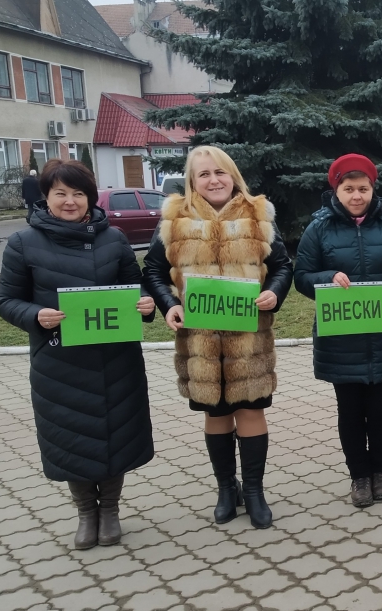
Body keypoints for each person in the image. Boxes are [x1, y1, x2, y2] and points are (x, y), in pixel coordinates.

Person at [0, 159, 155, 550]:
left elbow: (133, 285)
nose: (70, 201)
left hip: (116, 359)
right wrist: (36, 315)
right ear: (46, 196)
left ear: (90, 198)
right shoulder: (23, 243)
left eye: (78, 193)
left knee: (117, 433)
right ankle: (86, 511)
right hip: (59, 363)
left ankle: (111, 510)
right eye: (61, 193)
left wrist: (144, 303)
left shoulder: (113, 238)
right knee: (71, 437)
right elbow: (6, 300)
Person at [142, 146, 293, 529]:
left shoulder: (258, 214)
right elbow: (154, 271)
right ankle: (227, 489)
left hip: (249, 342)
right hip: (200, 343)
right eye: (204, 174)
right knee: (216, 413)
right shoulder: (174, 219)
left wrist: (274, 293)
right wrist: (168, 305)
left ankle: (254, 491)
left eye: (220, 172)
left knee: (251, 411)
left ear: (233, 175)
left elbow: (282, 266)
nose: (214, 180)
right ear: (192, 181)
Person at [294, 154, 382, 507]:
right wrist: (327, 278)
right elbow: (301, 277)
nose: (356, 196)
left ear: (373, 189)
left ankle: (380, 472)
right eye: (349, 189)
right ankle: (359, 477)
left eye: (363, 189)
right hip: (342, 338)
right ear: (336, 191)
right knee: (350, 412)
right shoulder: (319, 228)